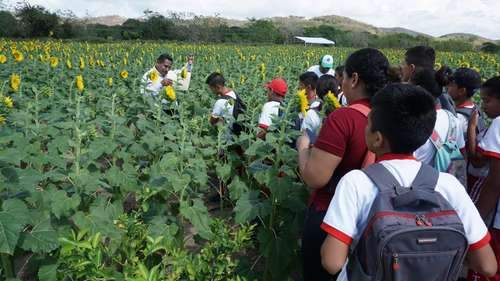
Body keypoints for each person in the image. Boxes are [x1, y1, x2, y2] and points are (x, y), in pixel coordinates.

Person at [320, 83, 497, 280]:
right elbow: (487, 266)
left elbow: (332, 262)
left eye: (368, 124)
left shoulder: (356, 182)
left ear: (377, 139)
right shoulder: (448, 185)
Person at [296, 48, 389, 281]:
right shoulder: (389, 116)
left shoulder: (345, 117)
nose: (341, 82)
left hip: (332, 218)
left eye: (343, 77)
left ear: (354, 79)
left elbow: (315, 177)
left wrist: (303, 147)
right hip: (374, 219)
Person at [467, 76, 500, 280]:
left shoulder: (499, 123)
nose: (483, 106)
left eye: (487, 101)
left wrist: (475, 220)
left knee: (487, 269)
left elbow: (495, 182)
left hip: (497, 220)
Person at [411, 68, 466, 173]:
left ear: (417, 89)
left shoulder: (412, 120)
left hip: (419, 184)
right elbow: (462, 153)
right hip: (444, 184)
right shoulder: (453, 119)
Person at [298, 72, 322, 143]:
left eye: (301, 85)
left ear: (308, 87)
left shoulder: (317, 108)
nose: (299, 87)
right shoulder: (302, 103)